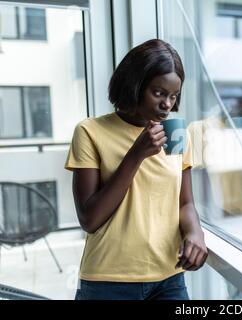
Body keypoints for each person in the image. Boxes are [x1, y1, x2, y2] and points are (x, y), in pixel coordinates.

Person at [64, 39, 208, 300]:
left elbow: (185, 203)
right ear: (134, 85)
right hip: (108, 281)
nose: (167, 104)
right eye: (158, 93)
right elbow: (90, 219)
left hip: (169, 277)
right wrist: (135, 155)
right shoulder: (89, 132)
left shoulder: (176, 133)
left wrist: (195, 232)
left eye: (173, 96)